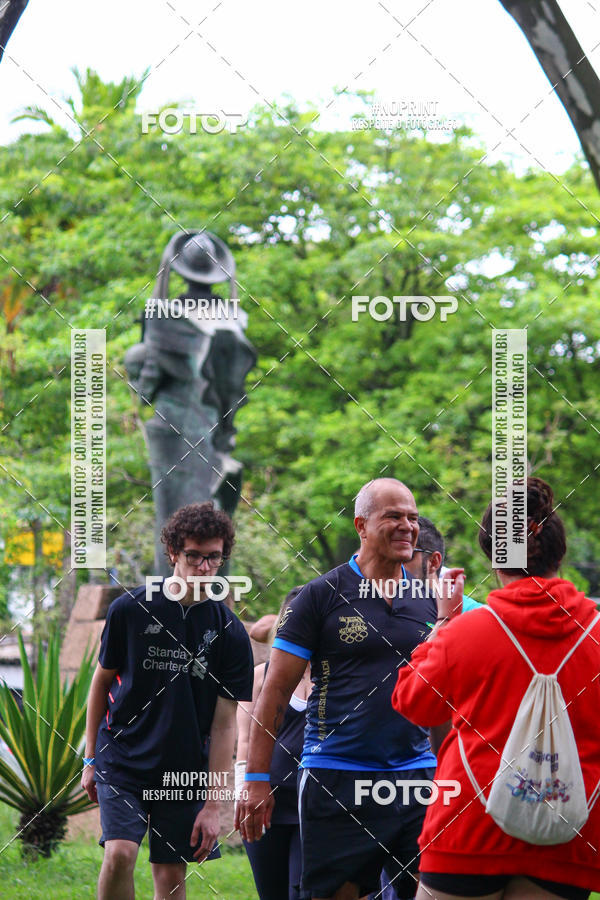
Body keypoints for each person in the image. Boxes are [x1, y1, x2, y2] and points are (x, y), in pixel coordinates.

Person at [237, 477, 463, 900]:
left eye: (412, 518)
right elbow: (274, 692)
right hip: (336, 777)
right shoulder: (319, 597)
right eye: (393, 516)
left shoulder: (427, 601)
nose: (407, 526)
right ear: (361, 525)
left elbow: (439, 698)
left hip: (415, 778)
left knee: (426, 893)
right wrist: (255, 779)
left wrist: (447, 776)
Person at [392, 477, 600, 899]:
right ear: (559, 552)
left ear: (494, 557)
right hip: (567, 832)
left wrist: (443, 621)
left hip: (467, 828)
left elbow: (413, 702)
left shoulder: (467, 631)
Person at [81, 501, 254, 900]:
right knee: (120, 853)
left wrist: (214, 804)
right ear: (174, 552)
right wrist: (90, 759)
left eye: (214, 557)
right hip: (122, 757)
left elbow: (225, 724)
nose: (204, 567)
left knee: (171, 873)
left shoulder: (229, 632)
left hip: (183, 768)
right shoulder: (131, 609)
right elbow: (99, 684)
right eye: (194, 555)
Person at [236, 586, 310, 899]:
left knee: (303, 891)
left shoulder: (337, 676)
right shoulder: (258, 676)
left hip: (314, 806)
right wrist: (244, 793)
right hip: (265, 804)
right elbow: (244, 742)